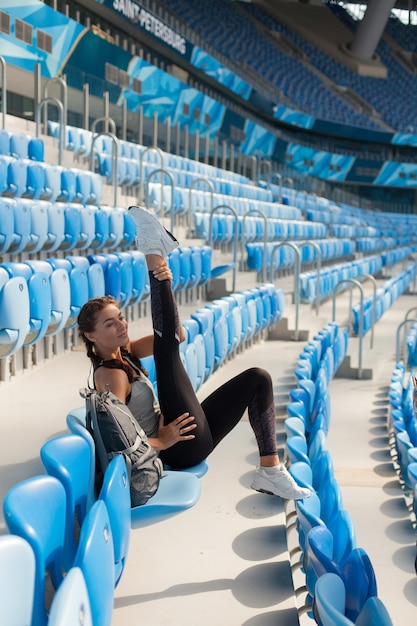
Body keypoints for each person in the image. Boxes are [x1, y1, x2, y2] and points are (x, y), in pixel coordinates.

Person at [77, 206, 311, 500]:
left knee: (257, 379)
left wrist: (168, 283)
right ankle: (152, 251)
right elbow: (118, 441)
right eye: (110, 324)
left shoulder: (125, 353)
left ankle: (271, 471)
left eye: (121, 318)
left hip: (187, 435)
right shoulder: (110, 375)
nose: (121, 325)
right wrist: (161, 441)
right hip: (178, 449)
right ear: (90, 335)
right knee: (166, 352)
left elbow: (177, 335)